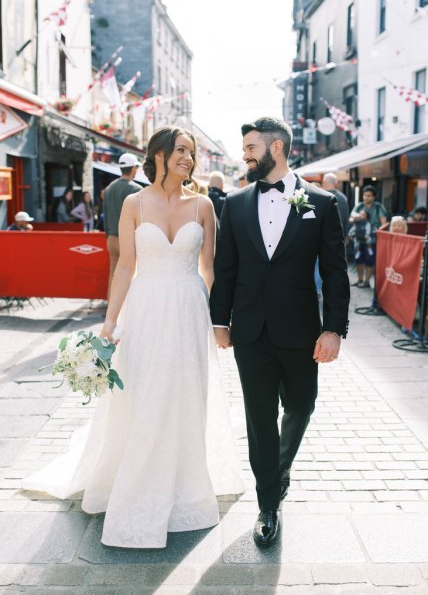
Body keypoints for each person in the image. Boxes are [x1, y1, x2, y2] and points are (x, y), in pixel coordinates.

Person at [22, 125, 243, 548]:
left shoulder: (203, 206)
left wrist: (220, 322)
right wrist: (110, 323)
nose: (188, 159)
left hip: (189, 310)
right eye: (181, 150)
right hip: (145, 310)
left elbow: (210, 269)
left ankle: (183, 483)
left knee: (185, 393)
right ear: (158, 154)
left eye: (191, 153)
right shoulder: (132, 202)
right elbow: (124, 265)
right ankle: (138, 478)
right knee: (143, 392)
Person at [210, 117, 350, 547]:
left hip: (302, 331)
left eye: (251, 147)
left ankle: (279, 470)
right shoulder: (233, 203)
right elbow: (226, 267)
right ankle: (268, 503)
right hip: (250, 332)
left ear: (276, 148)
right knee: (258, 418)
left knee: (302, 406)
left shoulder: (322, 203)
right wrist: (220, 320)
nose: (245, 155)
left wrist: (334, 330)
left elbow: (335, 271)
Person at [104, 153, 142, 298]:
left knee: (113, 272)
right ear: (132, 168)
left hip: (111, 238)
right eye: (136, 167)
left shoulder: (109, 188)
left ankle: (111, 305)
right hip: (128, 239)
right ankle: (126, 307)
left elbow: (105, 215)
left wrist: (108, 235)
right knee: (130, 273)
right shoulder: (136, 189)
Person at [348, 185, 387, 288]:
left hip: (372, 240)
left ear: (374, 197)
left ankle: (366, 282)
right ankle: (359, 280)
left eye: (369, 196)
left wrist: (377, 231)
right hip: (358, 239)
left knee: (370, 261)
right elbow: (350, 220)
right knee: (358, 260)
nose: (366, 197)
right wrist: (355, 219)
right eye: (365, 195)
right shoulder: (359, 206)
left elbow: (384, 223)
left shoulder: (378, 207)